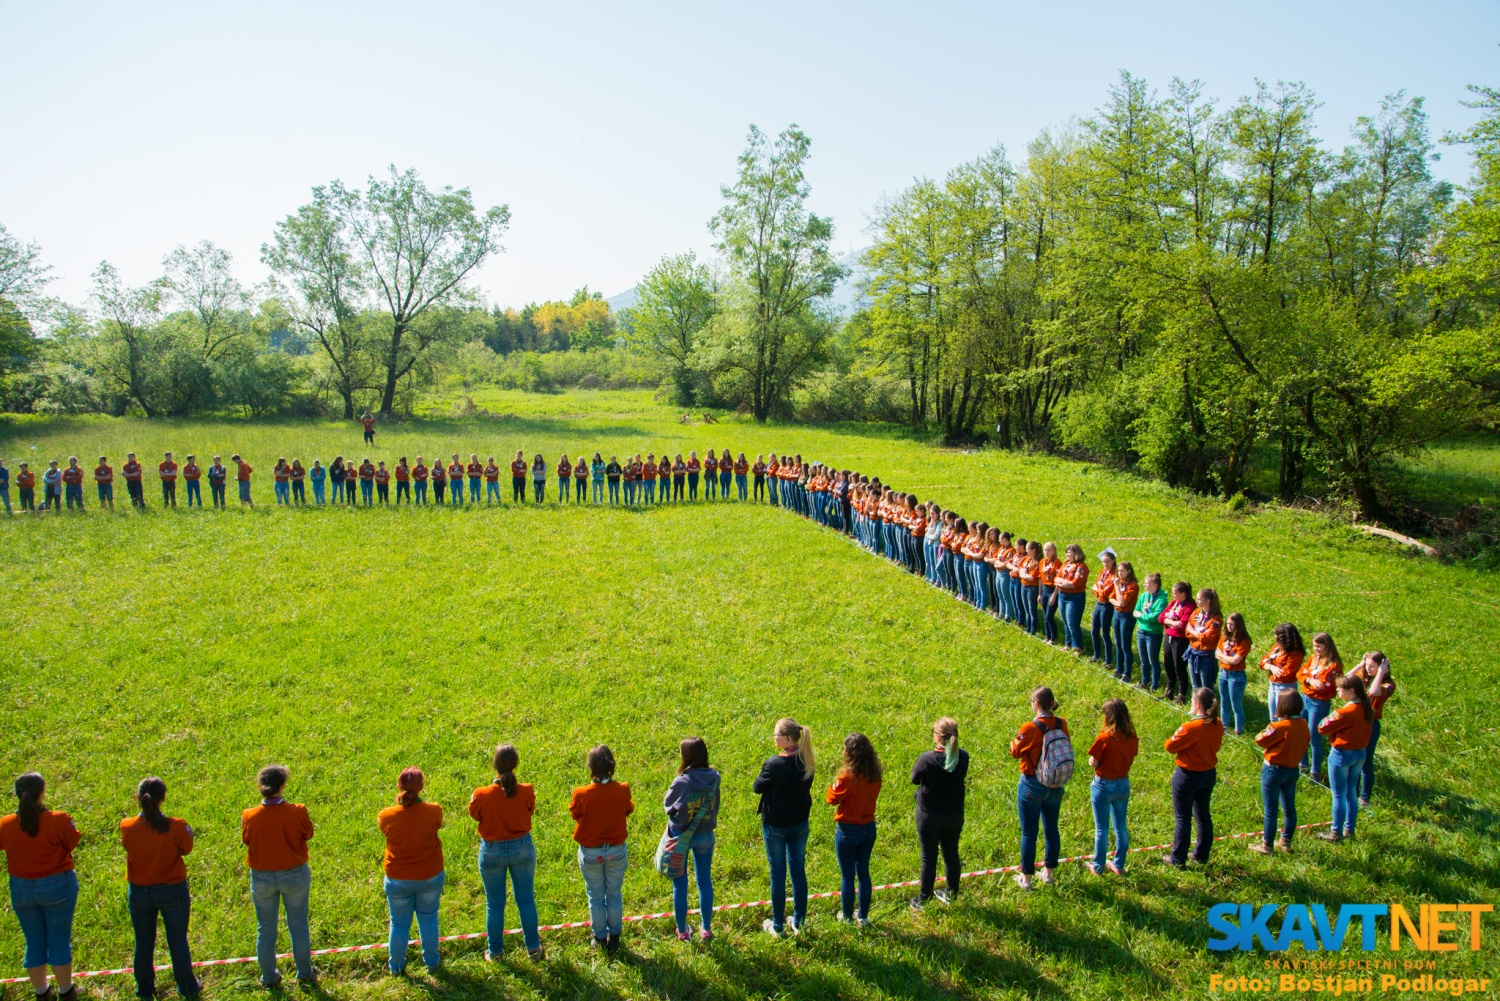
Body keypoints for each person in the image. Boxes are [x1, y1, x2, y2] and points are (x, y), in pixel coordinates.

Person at [1, 773, 80, 999]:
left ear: (17, 794)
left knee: (34, 942)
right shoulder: (59, 820)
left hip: (21, 890)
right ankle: (66, 990)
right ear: (42, 792)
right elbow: (72, 842)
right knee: (59, 941)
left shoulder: (5, 824)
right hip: (58, 887)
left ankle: (41, 992)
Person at [120, 776, 200, 999]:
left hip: (139, 891)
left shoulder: (126, 826)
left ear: (137, 798)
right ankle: (187, 988)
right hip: (171, 889)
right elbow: (187, 849)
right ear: (163, 798)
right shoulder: (176, 826)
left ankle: (145, 989)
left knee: (143, 942)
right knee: (177, 940)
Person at [241, 764, 314, 986]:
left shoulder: (249, 815)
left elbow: (247, 840)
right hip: (294, 875)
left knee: (265, 929)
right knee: (298, 925)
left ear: (260, 786)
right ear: (282, 785)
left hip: (261, 877)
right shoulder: (298, 811)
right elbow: (308, 834)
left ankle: (269, 977)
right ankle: (305, 973)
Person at [469, 743, 542, 960]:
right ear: (516, 764)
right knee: (526, 900)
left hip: (492, 852)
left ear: (495, 765)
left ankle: (495, 952)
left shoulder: (481, 794)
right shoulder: (526, 790)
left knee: (494, 903)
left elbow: (474, 815)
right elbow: (530, 810)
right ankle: (534, 949)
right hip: (522, 848)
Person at [378, 768, 444, 975]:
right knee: (429, 919)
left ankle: (396, 967)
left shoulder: (386, 816)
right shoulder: (434, 810)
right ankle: (432, 963)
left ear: (399, 785)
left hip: (398, 879)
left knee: (398, 924)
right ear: (421, 786)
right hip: (430, 875)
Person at [569, 745, 634, 954]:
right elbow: (628, 809)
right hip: (616, 850)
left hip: (591, 852)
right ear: (612, 766)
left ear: (590, 768)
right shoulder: (622, 789)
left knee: (595, 896)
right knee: (614, 894)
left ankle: (599, 937)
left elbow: (575, 814)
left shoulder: (581, 793)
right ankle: (615, 936)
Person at [754, 718, 815, 938]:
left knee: (777, 875)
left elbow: (757, 787)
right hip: (799, 823)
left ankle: (778, 926)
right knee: (798, 871)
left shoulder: (774, 765)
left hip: (775, 826)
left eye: (777, 734)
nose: (774, 737)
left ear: (787, 738)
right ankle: (799, 922)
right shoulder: (807, 761)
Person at [1011, 687, 1070, 890]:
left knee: (1029, 833)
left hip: (1033, 784)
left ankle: (1026, 880)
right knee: (1052, 828)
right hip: (1055, 783)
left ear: (1036, 704)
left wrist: (1014, 740)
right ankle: (1048, 874)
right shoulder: (1061, 723)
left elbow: (1015, 752)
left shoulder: (1030, 727)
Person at [663, 737, 721, 942]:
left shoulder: (681, 781)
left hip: (681, 837)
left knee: (680, 886)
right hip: (705, 834)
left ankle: (682, 931)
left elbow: (668, 806)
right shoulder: (715, 777)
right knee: (704, 881)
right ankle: (706, 928)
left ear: (686, 757)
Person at [1162, 688, 1224, 867]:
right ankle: (1201, 855)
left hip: (1187, 776)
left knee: (1183, 818)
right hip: (1208, 774)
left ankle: (1178, 859)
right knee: (1203, 815)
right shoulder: (1218, 723)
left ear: (1197, 704)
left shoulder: (1191, 727)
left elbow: (1170, 746)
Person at [909, 717, 966, 909]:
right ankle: (952, 893)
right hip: (954, 814)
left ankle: (923, 899)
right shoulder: (963, 757)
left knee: (929, 856)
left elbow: (914, 779)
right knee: (951, 852)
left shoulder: (927, 759)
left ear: (938, 737)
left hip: (930, 815)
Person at [824, 733, 881, 926]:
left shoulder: (847, 777)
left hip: (848, 831)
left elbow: (831, 798)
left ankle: (847, 917)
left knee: (848, 876)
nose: (842, 752)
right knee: (864, 873)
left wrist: (833, 786)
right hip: (869, 828)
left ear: (850, 754)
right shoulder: (875, 775)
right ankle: (863, 916)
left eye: (844, 749)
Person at [1251, 690, 1309, 854]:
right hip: (1292, 770)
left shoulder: (1278, 726)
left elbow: (1259, 739)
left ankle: (1267, 845)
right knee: (1289, 808)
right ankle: (1285, 842)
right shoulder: (1303, 724)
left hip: (1273, 770)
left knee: (1271, 810)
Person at [1318, 675, 1373, 843]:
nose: (1337, 690)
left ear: (1352, 691)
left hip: (1342, 755)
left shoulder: (1345, 712)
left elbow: (1322, 727)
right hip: (1360, 754)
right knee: (1351, 793)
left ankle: (1336, 832)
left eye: (1340, 688)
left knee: (1338, 795)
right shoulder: (1366, 706)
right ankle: (1349, 828)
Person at [1087, 698, 1138, 875]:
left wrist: (1092, 761)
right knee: (1121, 827)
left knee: (1102, 829)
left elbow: (1094, 762)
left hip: (1103, 785)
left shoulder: (1104, 738)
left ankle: (1098, 867)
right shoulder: (1132, 737)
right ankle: (1119, 865)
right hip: (1123, 783)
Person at [1350, 651, 1395, 807]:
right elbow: (1344, 681)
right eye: (1367, 665)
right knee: (1354, 759)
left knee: (1365, 760)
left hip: (1370, 724)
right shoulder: (1364, 677)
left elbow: (1374, 692)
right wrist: (1360, 665)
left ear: (1382, 668)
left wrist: (1381, 673)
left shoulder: (1388, 684)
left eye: (1372, 666)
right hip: (1356, 723)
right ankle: (1353, 793)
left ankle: (1365, 798)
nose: (1368, 669)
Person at [1299, 632, 1344, 780]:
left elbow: (1323, 687)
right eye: (1314, 646)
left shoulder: (1334, 666)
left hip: (1319, 703)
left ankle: (1315, 771)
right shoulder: (1313, 658)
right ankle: (1303, 764)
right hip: (1305, 699)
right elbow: (1300, 673)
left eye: (1319, 646)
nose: (1316, 649)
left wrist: (1307, 680)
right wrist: (1310, 681)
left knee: (1314, 737)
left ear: (1327, 646)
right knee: (1302, 732)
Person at [1215, 613, 1253, 735]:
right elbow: (1217, 653)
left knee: (1236, 704)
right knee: (1224, 701)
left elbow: (1235, 661)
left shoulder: (1244, 641)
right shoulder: (1224, 637)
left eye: (1232, 624)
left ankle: (1239, 730)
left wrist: (1223, 658)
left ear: (1238, 625)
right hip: (1223, 673)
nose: (1229, 626)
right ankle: (1224, 727)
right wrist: (1227, 659)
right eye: (1227, 624)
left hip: (1236, 676)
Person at [1258, 624, 1306, 722]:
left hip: (1285, 687)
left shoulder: (1295, 653)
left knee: (1283, 717)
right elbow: (1263, 662)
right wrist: (1271, 667)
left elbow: (1284, 674)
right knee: (1273, 716)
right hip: (1273, 685)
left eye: (1278, 635)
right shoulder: (1276, 648)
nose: (1275, 637)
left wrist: (1269, 666)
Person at [1186, 588, 1224, 695]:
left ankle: (1208, 705)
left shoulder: (1215, 619)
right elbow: (1187, 632)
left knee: (1206, 686)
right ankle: (1196, 703)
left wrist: (1194, 632)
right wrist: (1199, 635)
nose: (1196, 601)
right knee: (1195, 684)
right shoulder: (1196, 613)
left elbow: (1208, 638)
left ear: (1207, 601)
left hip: (1206, 655)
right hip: (1193, 651)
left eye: (1199, 599)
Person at [1134, 573, 1168, 692]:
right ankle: (1145, 682)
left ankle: (1154, 685)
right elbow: (1136, 610)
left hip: (1153, 633)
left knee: (1153, 659)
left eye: (1147, 583)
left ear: (1154, 584)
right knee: (1143, 659)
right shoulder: (1144, 596)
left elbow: (1156, 617)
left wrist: (1142, 616)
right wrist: (1143, 617)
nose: (1144, 585)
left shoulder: (1162, 599)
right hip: (1141, 631)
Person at [1160, 582, 1194, 701]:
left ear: (1183, 594)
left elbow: (1182, 625)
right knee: (1168, 664)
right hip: (1168, 637)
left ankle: (1182, 693)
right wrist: (1172, 622)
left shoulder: (1189, 607)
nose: (1173, 595)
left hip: (1180, 640)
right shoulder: (1174, 603)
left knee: (1179, 666)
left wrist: (1168, 622)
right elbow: (1161, 618)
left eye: (1175, 593)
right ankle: (1169, 689)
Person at [1053, 545, 1089, 651]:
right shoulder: (1066, 564)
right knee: (1065, 621)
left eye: (1069, 552)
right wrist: (1064, 582)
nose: (1067, 554)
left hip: (1074, 597)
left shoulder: (1081, 567)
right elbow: (1056, 578)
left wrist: (1062, 582)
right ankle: (1068, 644)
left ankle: (1077, 646)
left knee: (1072, 622)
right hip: (1062, 595)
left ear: (1076, 553)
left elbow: (1075, 584)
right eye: (1066, 552)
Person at [1110, 562, 1140, 682]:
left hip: (1127, 616)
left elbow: (1123, 602)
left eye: (1122, 570)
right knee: (1118, 643)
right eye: (1118, 571)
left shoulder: (1133, 585)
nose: (1120, 573)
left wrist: (1117, 588)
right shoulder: (1120, 582)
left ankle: (1127, 673)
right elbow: (1111, 598)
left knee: (1125, 645)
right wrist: (1118, 603)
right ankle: (1119, 668)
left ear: (1129, 571)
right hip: (1117, 613)